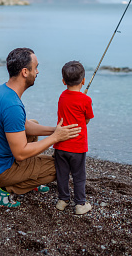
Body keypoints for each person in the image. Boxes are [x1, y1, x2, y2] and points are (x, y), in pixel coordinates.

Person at [0, 48, 81, 208]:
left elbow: (23, 125)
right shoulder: (12, 106)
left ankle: (23, 177)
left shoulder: (1, 90)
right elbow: (20, 153)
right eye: (35, 67)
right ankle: (3, 188)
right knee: (61, 166)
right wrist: (55, 138)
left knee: (34, 123)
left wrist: (55, 130)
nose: (37, 72)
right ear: (25, 72)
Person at [53, 61, 94, 215]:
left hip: (61, 146)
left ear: (64, 81)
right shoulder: (86, 100)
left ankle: (62, 200)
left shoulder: (62, 96)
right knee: (79, 176)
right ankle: (80, 204)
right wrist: (83, 101)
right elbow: (87, 119)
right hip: (77, 147)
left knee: (62, 174)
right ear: (83, 81)